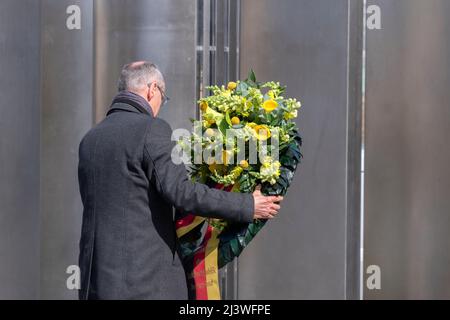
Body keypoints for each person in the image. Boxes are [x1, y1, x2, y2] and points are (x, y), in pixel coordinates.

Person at [77, 61, 283, 299]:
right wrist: (247, 205)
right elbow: (181, 192)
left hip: (96, 283)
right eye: (163, 98)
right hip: (144, 284)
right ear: (152, 89)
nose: (159, 107)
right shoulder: (151, 130)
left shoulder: (90, 139)